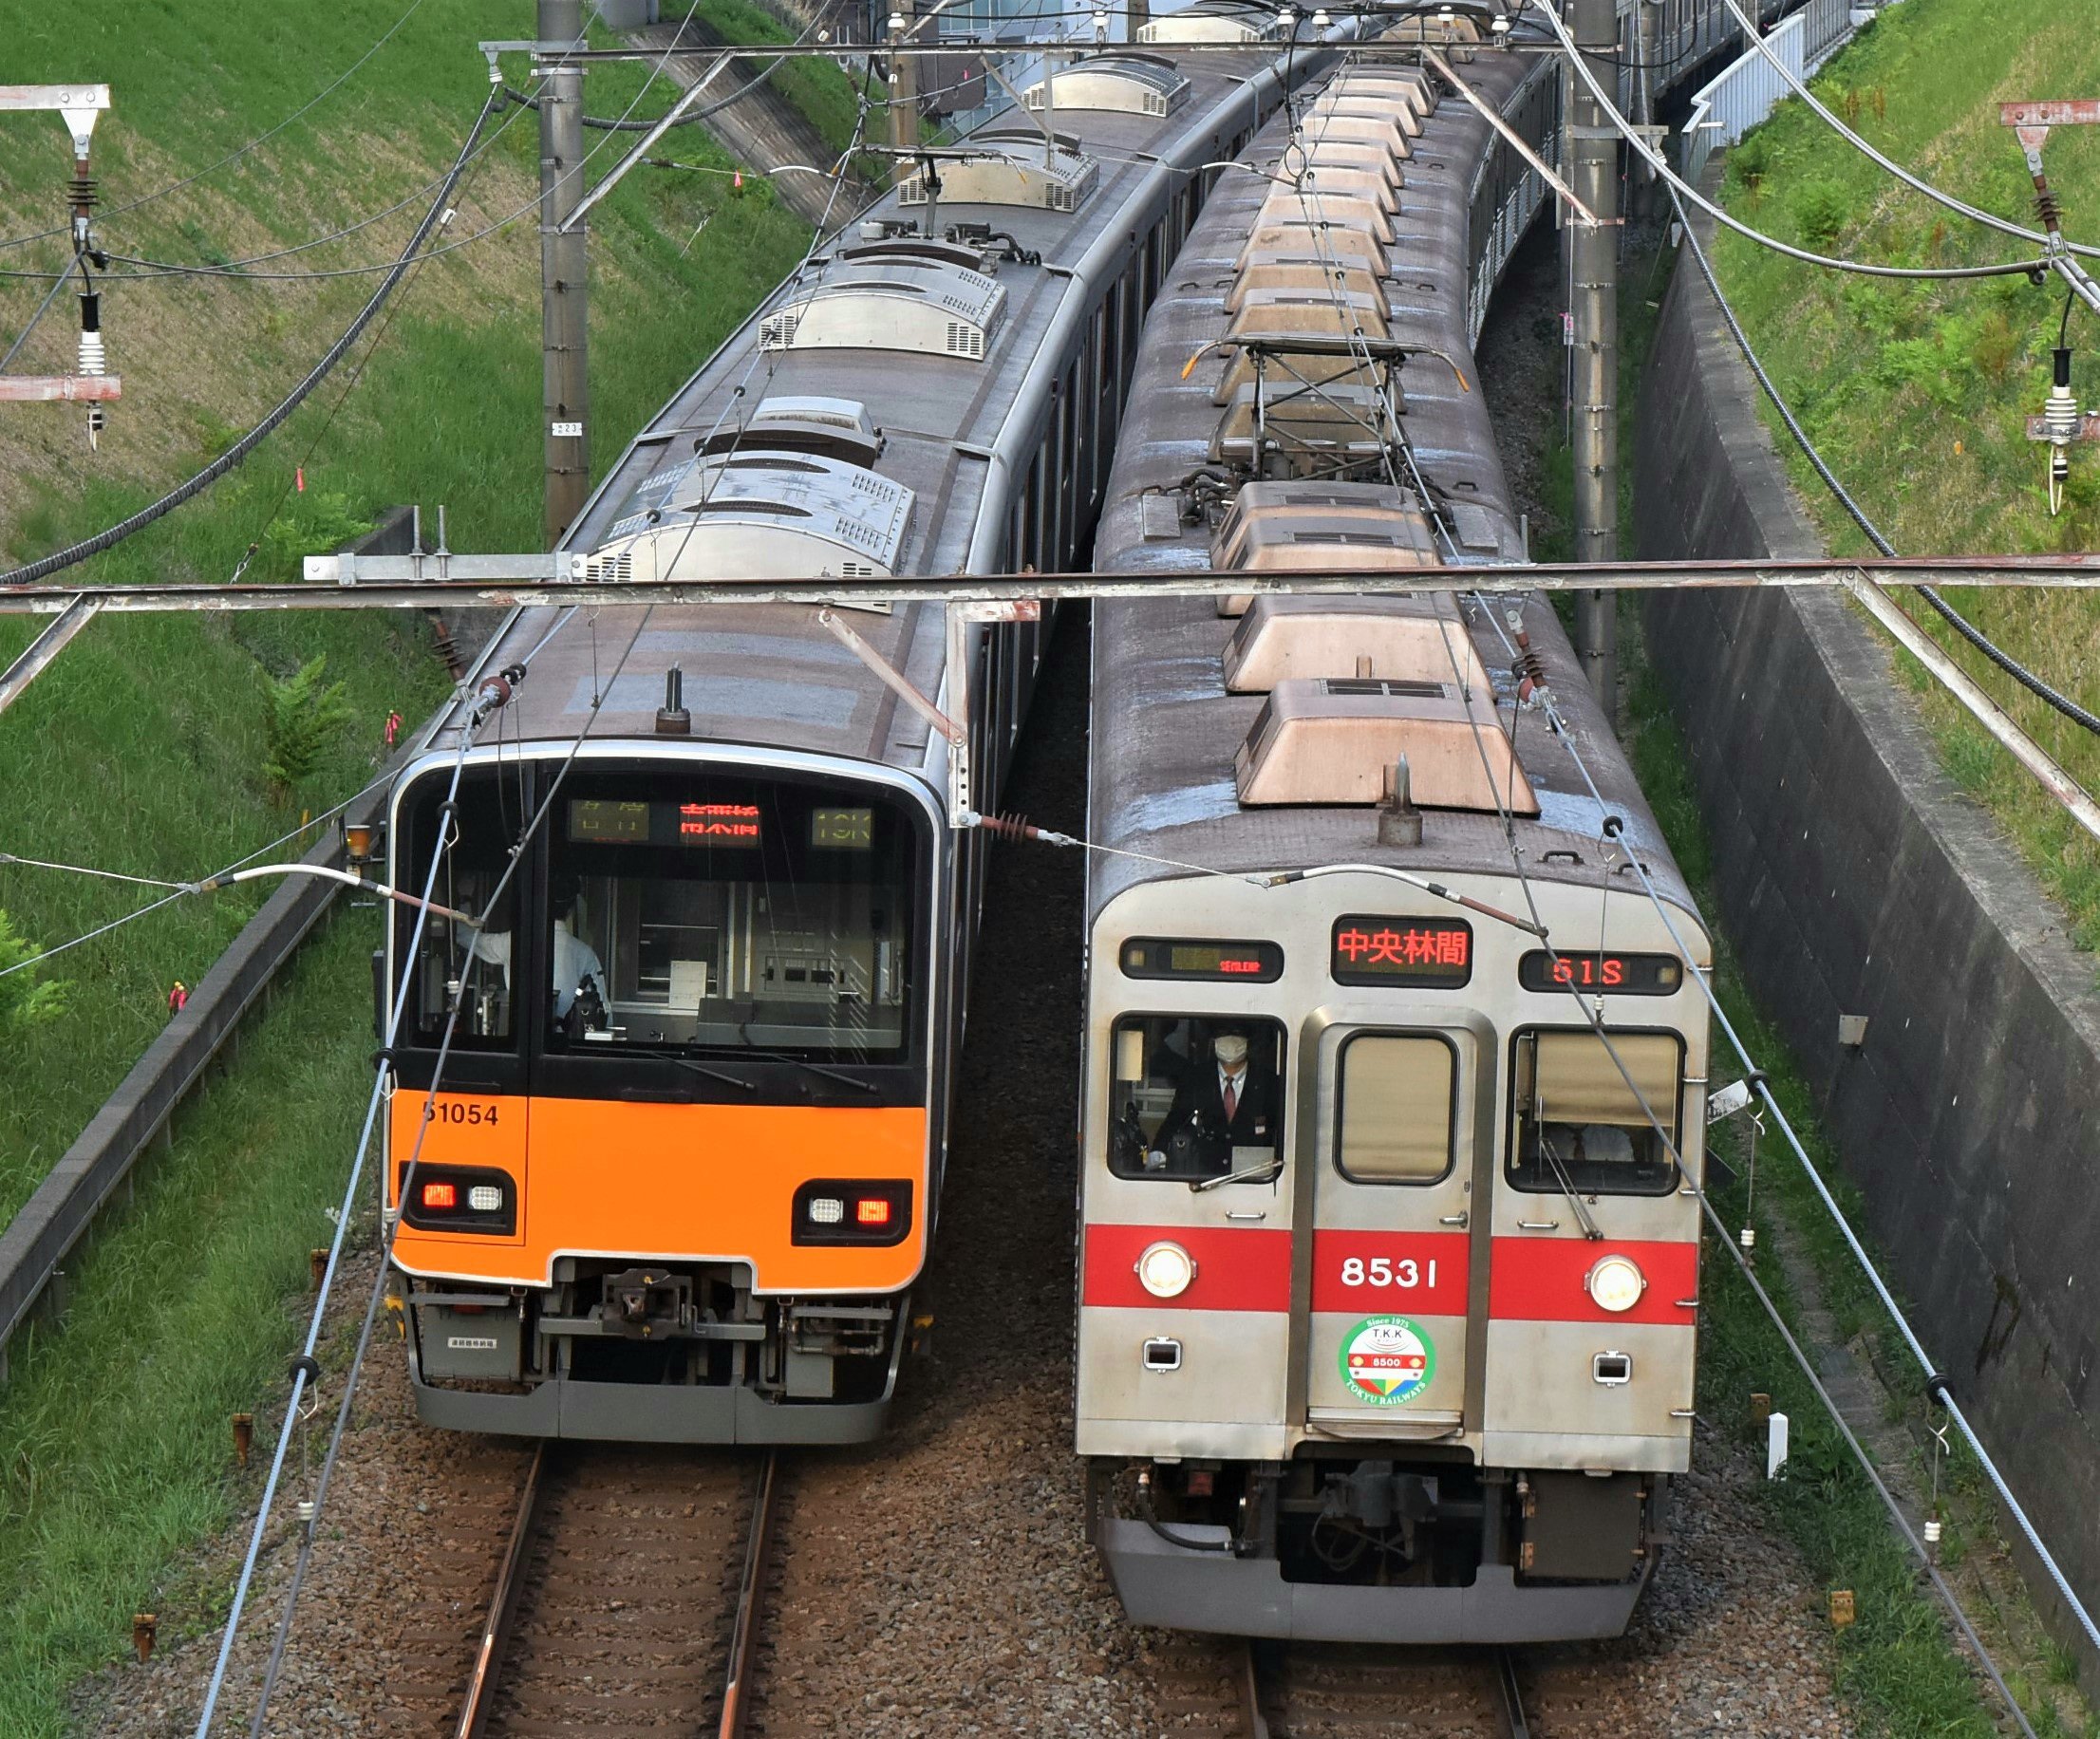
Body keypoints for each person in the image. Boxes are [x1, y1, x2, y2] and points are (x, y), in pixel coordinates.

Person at [469, 876, 606, 1025]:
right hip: (566, 1036)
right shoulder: (585, 954)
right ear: (571, 909)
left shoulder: (511, 941)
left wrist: (465, 899)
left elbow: (465, 936)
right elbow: (602, 1008)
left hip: (518, 1030)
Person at [1153, 1023, 1279, 1175]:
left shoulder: (1269, 1083)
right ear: (1214, 1041)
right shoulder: (1195, 1079)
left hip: (1254, 1179)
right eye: (1223, 1033)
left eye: (1237, 1033)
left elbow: (1281, 1129)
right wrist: (1157, 1152)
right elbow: (1175, 1120)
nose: (1230, 1039)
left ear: (1248, 1041)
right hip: (1204, 1177)